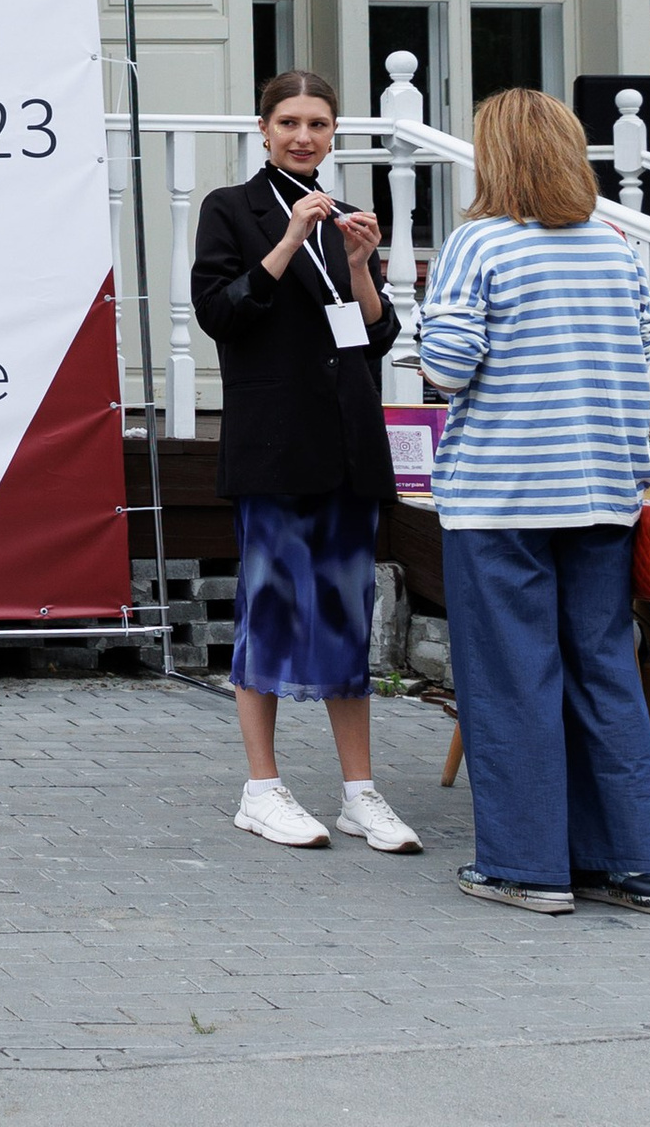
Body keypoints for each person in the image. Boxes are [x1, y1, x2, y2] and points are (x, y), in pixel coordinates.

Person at [418, 85, 650, 916]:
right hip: (603, 489)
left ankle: (528, 867)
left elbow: (448, 369)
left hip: (502, 494)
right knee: (606, 671)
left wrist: (430, 322)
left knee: (511, 678)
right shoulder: (613, 245)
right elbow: (643, 347)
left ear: (495, 155)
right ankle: (635, 867)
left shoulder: (479, 244)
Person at [190, 70, 423, 854]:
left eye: (318, 124)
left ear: (333, 133)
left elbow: (376, 338)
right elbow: (222, 312)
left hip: (348, 444)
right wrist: (289, 239)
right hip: (274, 444)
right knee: (272, 610)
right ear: (262, 129)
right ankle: (262, 787)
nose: (303, 136)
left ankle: (360, 792)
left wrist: (360, 264)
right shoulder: (234, 209)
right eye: (288, 121)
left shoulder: (343, 218)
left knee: (345, 618)